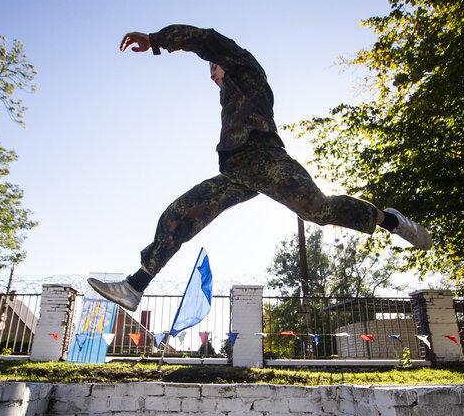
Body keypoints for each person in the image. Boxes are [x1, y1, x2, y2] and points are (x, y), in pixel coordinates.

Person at [88, 25, 432, 311]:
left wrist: (157, 41)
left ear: (227, 62)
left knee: (319, 209)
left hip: (265, 157)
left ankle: (391, 220)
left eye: (214, 67)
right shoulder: (230, 94)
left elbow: (207, 41)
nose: (212, 74)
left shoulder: (247, 71)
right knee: (179, 212)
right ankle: (135, 287)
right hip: (237, 170)